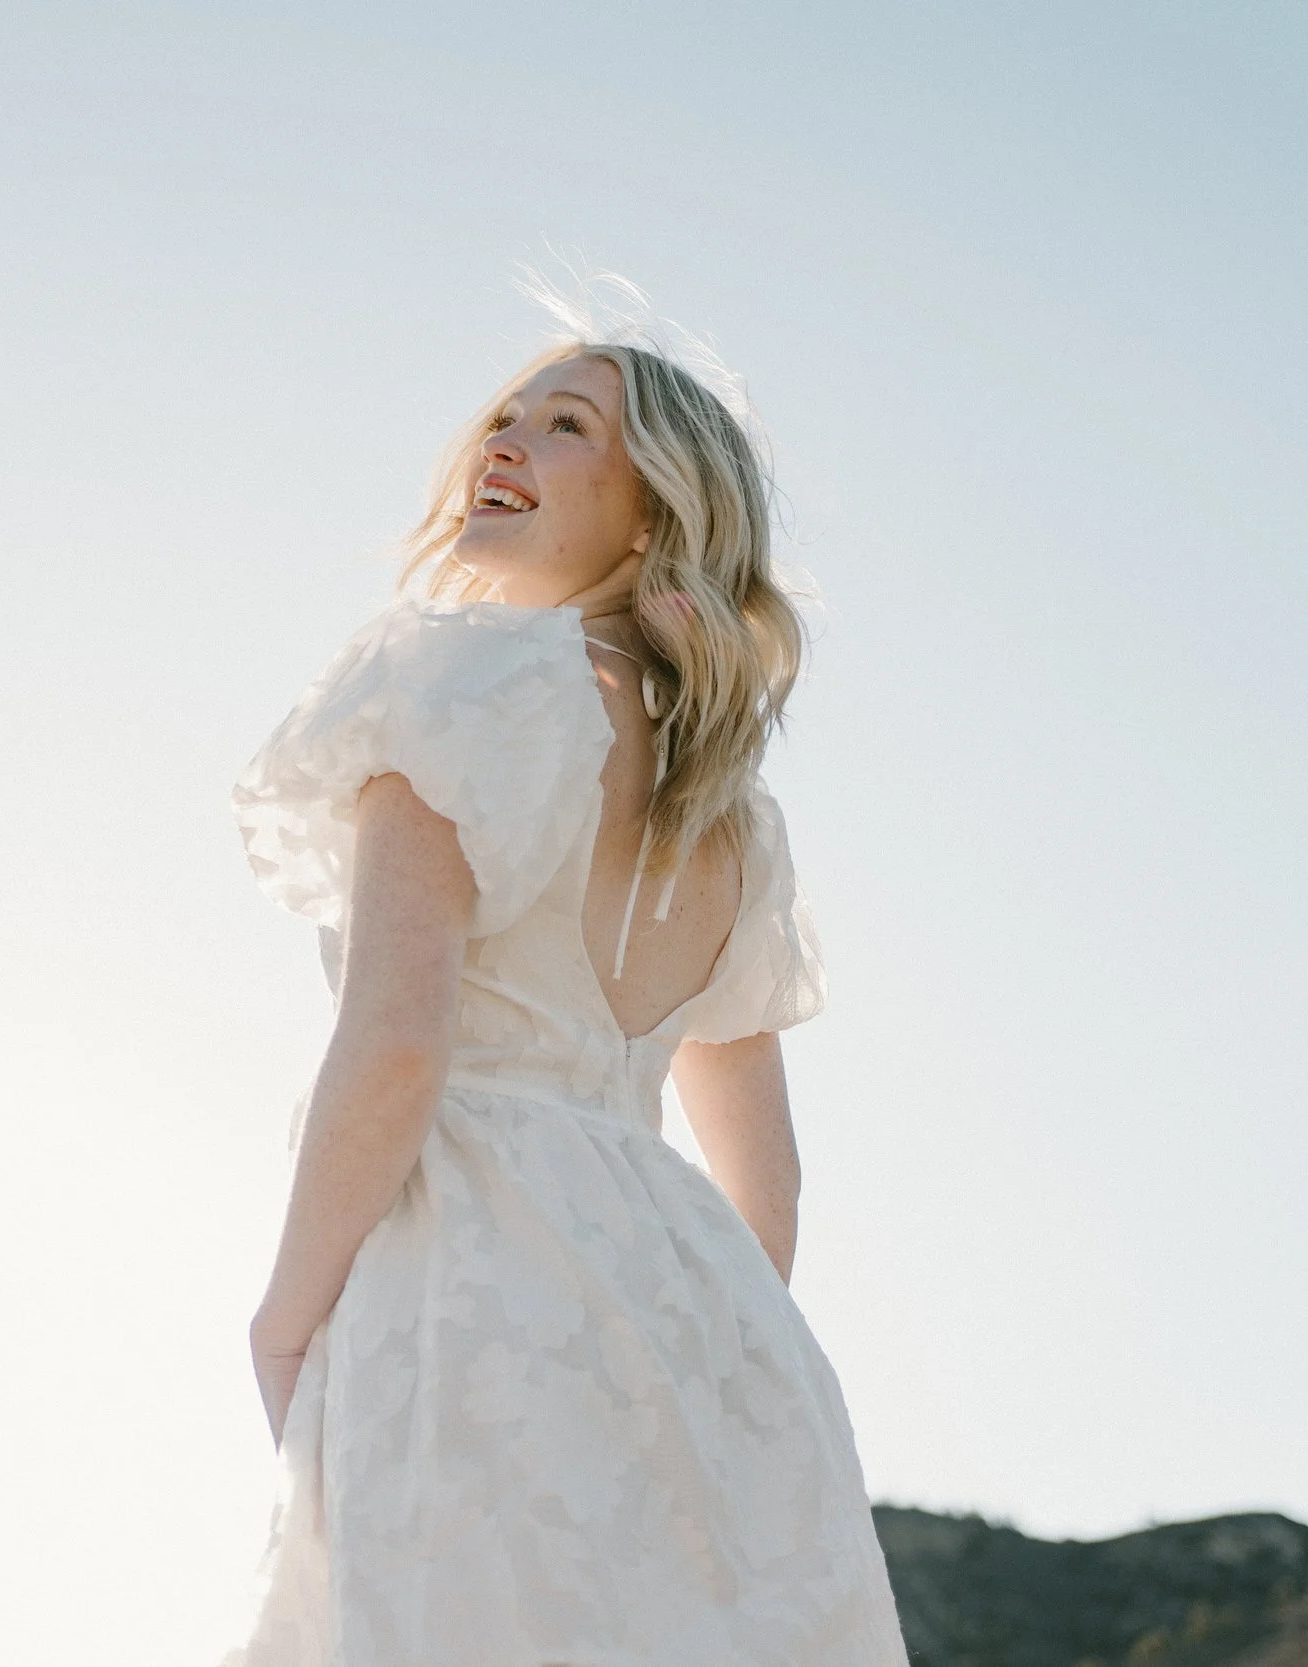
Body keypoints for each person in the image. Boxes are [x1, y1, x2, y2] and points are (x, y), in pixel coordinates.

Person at [221, 323, 909, 1665]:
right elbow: (766, 1189)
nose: (504, 440)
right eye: (506, 416)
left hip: (469, 1255)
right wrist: (697, 1358)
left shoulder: (452, 680)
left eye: (566, 426)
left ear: (654, 516)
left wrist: (284, 1316)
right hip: (702, 1318)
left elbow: (396, 1051)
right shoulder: (734, 819)